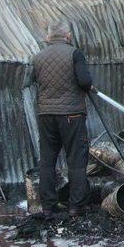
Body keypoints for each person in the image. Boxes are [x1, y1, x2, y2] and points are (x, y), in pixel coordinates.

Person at [25, 21, 93, 217]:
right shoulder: (74, 54)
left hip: (46, 115)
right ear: (68, 36)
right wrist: (88, 88)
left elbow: (28, 82)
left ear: (48, 37)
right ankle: (76, 205)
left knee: (47, 160)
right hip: (71, 115)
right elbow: (85, 81)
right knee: (76, 159)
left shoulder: (37, 57)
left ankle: (48, 206)